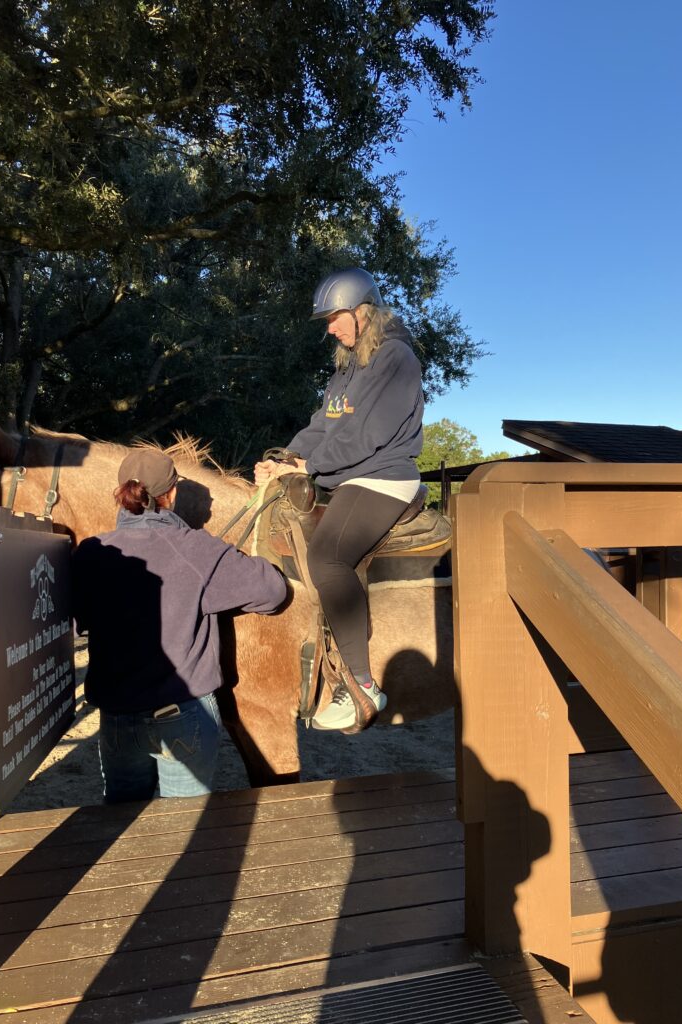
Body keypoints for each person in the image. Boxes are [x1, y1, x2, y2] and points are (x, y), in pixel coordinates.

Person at [255, 267, 423, 732]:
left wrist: (307, 466)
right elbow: (322, 426)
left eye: (334, 317)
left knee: (327, 557)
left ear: (362, 310)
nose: (329, 328)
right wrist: (283, 459)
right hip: (350, 476)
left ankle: (361, 686)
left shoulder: (395, 357)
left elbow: (369, 435)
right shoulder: (347, 369)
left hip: (384, 477)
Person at [72, 449, 287, 803]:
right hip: (184, 715)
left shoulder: (92, 552)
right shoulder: (196, 549)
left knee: (121, 820)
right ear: (170, 494)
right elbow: (273, 592)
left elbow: (76, 623)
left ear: (123, 493)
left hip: (117, 718)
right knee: (185, 823)